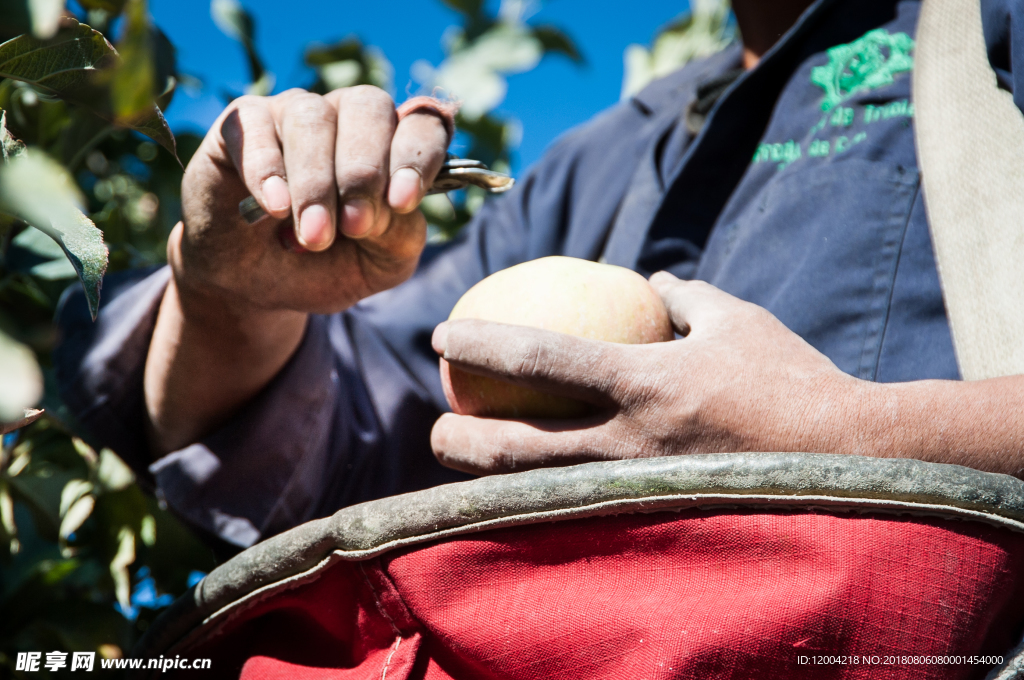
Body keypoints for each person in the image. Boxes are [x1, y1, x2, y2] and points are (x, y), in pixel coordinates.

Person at [55, 0, 1024, 551]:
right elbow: (343, 447)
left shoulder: (984, 38)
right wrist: (228, 297)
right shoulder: (595, 159)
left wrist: (846, 439)